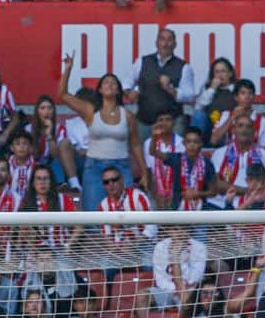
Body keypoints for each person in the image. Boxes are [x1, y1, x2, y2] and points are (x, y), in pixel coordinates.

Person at [60, 54, 145, 213]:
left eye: (114, 83)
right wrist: (68, 69)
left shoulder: (128, 116)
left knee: (127, 211)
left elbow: (135, 145)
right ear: (99, 89)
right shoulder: (91, 111)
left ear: (119, 90)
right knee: (93, 214)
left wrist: (144, 173)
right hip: (95, 166)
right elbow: (63, 95)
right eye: (106, 82)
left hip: (121, 166)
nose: (110, 84)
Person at [122, 29, 196, 140]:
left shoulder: (184, 67)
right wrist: (129, 93)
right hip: (145, 120)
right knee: (141, 153)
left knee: (175, 155)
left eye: (169, 40)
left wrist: (171, 89)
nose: (165, 44)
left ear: (175, 44)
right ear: (156, 43)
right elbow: (126, 84)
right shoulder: (142, 61)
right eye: (162, 39)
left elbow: (190, 96)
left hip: (173, 121)